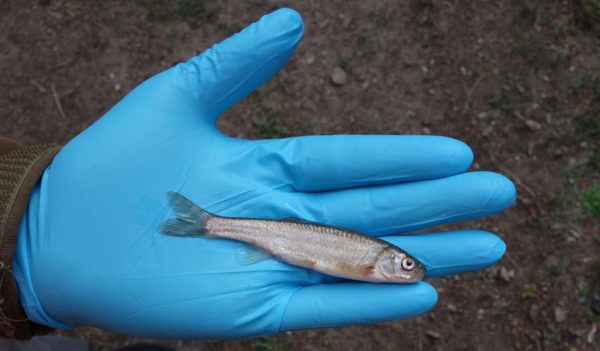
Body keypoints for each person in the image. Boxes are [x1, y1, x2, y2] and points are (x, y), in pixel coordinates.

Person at [0, 8, 516, 342]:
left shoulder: (369, 258)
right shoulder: (368, 258)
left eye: (403, 266)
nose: (403, 268)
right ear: (384, 259)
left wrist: (13, 255)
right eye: (402, 264)